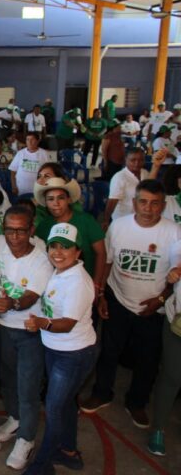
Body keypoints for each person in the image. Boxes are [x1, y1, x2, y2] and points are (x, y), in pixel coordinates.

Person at [80, 180, 180, 429]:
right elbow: (109, 262)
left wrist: (160, 298)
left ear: (163, 204)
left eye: (155, 203)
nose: (148, 208)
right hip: (118, 298)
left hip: (153, 306)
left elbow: (177, 273)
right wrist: (102, 295)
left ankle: (137, 402)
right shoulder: (119, 226)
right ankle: (102, 393)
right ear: (134, 203)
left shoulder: (174, 232)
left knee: (147, 359)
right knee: (109, 352)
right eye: (143, 202)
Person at [21, 223, 97, 475]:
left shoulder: (78, 282)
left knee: (54, 408)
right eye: (54, 246)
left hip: (73, 353)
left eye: (66, 247)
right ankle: (68, 452)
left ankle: (42, 466)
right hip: (57, 349)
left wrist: (43, 323)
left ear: (78, 252)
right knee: (64, 405)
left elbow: (66, 324)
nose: (58, 252)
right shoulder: (61, 271)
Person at [0, 207, 53, 470]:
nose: (14, 236)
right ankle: (15, 418)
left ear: (31, 230)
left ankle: (26, 439)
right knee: (9, 379)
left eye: (20, 230)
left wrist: (12, 302)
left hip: (29, 332)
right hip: (3, 328)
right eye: (9, 229)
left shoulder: (41, 259)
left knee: (28, 388)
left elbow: (30, 298)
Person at [33, 177, 106, 283]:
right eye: (50, 199)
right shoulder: (44, 225)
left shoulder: (86, 220)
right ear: (45, 202)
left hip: (84, 281)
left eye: (61, 198)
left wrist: (97, 284)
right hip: (54, 282)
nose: (56, 203)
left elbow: (101, 253)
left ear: (69, 199)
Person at [148, 237, 181, 456]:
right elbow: (174, 271)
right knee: (172, 376)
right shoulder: (178, 245)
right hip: (177, 322)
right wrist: (172, 277)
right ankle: (158, 429)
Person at [103, 147, 163, 228]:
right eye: (133, 160)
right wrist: (106, 220)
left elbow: (150, 186)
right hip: (123, 219)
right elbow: (112, 201)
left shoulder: (144, 173)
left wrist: (156, 165)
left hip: (141, 218)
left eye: (141, 160)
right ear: (126, 160)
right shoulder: (120, 177)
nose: (137, 163)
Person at [9, 132, 51, 197]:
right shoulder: (20, 153)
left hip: (38, 190)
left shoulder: (44, 153)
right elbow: (13, 172)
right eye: (27, 139)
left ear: (37, 141)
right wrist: (14, 186)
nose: (29, 142)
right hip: (21, 189)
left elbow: (49, 172)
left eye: (32, 139)